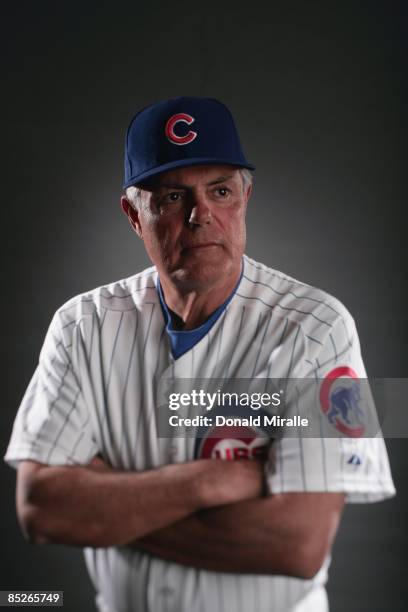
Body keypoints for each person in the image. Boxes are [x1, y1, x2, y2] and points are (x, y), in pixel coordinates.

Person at [4, 97, 395, 612]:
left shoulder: (317, 328)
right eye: (171, 197)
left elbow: (300, 544)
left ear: (245, 197)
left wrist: (107, 506)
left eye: (221, 191)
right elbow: (42, 510)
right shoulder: (82, 326)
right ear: (133, 214)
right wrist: (210, 482)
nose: (200, 216)